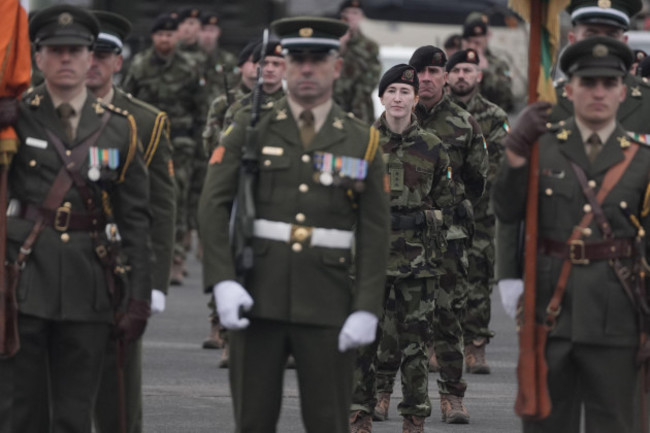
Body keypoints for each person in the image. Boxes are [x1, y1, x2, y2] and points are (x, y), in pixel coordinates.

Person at [198, 16, 390, 433]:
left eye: (318, 59)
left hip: (328, 304)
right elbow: (213, 205)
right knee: (252, 421)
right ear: (283, 64)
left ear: (336, 67)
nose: (307, 68)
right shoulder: (248, 129)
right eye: (297, 58)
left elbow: (375, 230)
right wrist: (222, 281)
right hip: (256, 298)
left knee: (328, 422)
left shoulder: (362, 139)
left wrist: (366, 307)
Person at [0, 5, 151, 433]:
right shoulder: (16, 117)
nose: (66, 59)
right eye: (55, 50)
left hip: (91, 285)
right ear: (39, 56)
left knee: (74, 413)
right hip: (22, 284)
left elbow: (137, 220)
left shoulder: (121, 129)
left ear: (91, 58)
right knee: (20, 412)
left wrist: (139, 295)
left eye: (75, 51)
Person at [493, 35, 648, 433]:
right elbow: (507, 211)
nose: (598, 92)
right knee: (546, 422)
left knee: (615, 423)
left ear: (623, 91)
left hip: (617, 316)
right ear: (570, 88)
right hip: (549, 313)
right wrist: (514, 152)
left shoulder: (642, 159)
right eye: (588, 83)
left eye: (609, 84)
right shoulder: (540, 148)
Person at [497, 0, 650, 318]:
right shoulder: (546, 103)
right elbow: (516, 201)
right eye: (591, 32)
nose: (600, 42)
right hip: (556, 275)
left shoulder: (647, 103)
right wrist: (510, 274)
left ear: (624, 42)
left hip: (628, 275)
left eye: (610, 34)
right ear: (572, 39)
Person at [374, 45, 487, 425]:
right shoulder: (389, 120)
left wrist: (443, 216)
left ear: (445, 77)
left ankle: (452, 396)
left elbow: (476, 183)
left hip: (448, 238)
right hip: (394, 240)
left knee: (446, 316)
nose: (425, 78)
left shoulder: (464, 124)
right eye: (419, 71)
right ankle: (381, 392)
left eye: (434, 71)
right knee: (389, 318)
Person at [86, 11, 176, 433]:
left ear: (118, 62)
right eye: (83, 51)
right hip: (50, 261)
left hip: (117, 267)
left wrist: (154, 282)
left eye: (102, 54)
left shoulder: (143, 121)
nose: (92, 62)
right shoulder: (34, 111)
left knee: (117, 392)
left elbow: (158, 207)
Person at [348, 64, 451, 433]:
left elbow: (448, 202)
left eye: (405, 92)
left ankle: (414, 416)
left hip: (417, 260)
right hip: (369, 259)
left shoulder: (433, 147)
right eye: (391, 91)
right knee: (364, 340)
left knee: (415, 345)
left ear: (414, 99)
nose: (397, 98)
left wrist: (431, 228)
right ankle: (359, 411)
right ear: (381, 97)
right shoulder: (361, 143)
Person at [202, 40, 286, 362]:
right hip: (244, 194)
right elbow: (220, 151)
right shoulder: (238, 109)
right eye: (265, 63)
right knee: (237, 264)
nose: (270, 69)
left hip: (281, 198)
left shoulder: (295, 107)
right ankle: (228, 339)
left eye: (278, 64)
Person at [122, 12, 205, 286]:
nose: (165, 39)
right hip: (145, 141)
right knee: (142, 195)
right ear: (154, 37)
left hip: (179, 143)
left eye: (170, 35)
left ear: (176, 37)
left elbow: (201, 107)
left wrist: (199, 142)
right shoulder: (140, 65)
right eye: (160, 35)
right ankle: (145, 254)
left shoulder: (190, 66)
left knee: (176, 199)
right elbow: (126, 101)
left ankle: (176, 259)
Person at [446, 48, 509, 374]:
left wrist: (468, 193)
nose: (461, 76)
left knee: (479, 276)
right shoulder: (433, 113)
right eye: (455, 70)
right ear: (446, 76)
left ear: (478, 76)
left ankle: (476, 347)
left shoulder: (494, 115)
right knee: (440, 275)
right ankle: (436, 344)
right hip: (441, 211)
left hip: (481, 213)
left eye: (467, 70)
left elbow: (497, 162)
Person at [334, 0, 382, 124]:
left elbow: (373, 76)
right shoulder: (332, 43)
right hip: (332, 104)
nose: (350, 17)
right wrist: (340, 47)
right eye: (347, 13)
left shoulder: (369, 46)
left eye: (355, 13)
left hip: (359, 108)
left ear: (361, 16)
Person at [461, 12, 514, 112]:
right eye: (469, 42)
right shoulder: (453, 63)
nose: (472, 47)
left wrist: (486, 72)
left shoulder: (499, 65)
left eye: (477, 43)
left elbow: (508, 100)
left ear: (487, 38)